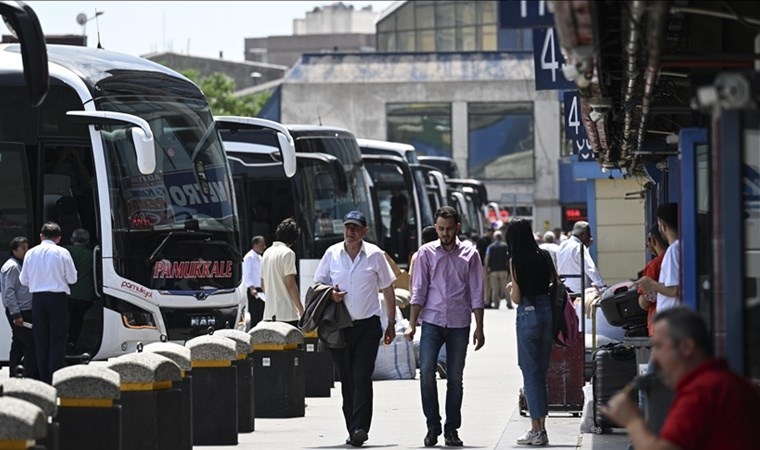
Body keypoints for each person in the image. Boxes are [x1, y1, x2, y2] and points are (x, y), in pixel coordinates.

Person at [602, 307, 760, 450]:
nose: (654, 357)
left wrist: (632, 420)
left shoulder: (701, 392)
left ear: (686, 347)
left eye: (659, 346)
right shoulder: (726, 382)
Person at [313, 210, 397, 447]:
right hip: (340, 327)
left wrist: (390, 322)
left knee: (361, 376)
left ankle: (361, 427)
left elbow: (388, 289)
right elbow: (319, 284)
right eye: (347, 227)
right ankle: (352, 428)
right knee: (347, 379)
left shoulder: (374, 255)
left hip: (368, 327)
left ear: (364, 231)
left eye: (355, 228)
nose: (350, 232)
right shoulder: (332, 254)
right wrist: (332, 294)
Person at [405, 206, 485, 448]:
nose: (445, 233)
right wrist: (411, 325)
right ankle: (432, 426)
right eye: (441, 228)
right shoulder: (425, 253)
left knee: (455, 378)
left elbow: (477, 293)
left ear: (457, 228)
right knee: (426, 372)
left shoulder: (470, 254)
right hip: (431, 321)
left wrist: (479, 327)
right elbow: (418, 291)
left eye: (449, 229)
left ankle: (452, 429)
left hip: (460, 323)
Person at [505, 219, 554, 446]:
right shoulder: (544, 255)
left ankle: (536, 430)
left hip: (528, 314)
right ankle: (541, 427)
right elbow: (554, 281)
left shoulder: (516, 260)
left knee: (530, 374)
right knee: (540, 373)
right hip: (547, 313)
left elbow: (516, 298)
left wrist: (512, 288)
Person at [19, 222, 77, 384]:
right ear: (58, 238)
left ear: (41, 236)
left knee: (41, 339)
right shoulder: (63, 252)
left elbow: (23, 280)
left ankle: (43, 377)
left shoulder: (30, 253)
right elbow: (72, 278)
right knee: (58, 338)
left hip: (37, 299)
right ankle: (55, 376)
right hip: (57, 299)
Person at [1, 236, 38, 379]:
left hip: (24, 309)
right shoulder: (12, 267)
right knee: (31, 343)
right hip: (20, 311)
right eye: (23, 248)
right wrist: (16, 315)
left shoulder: (20, 264)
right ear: (14, 250)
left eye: (27, 247)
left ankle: (15, 373)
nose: (26, 250)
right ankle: (28, 375)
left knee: (18, 343)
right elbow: (9, 292)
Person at [637, 203, 680, 312]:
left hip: (671, 317)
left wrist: (651, 284)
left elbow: (675, 290)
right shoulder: (682, 247)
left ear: (663, 227)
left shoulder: (673, 250)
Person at [261, 219, 303, 326]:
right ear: (293, 239)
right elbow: (291, 285)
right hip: (287, 314)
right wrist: (301, 310)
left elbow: (262, 284)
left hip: (268, 314)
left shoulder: (266, 253)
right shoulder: (288, 253)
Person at [64, 229, 95, 352]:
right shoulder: (91, 254)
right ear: (87, 242)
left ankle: (64, 342)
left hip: (67, 295)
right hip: (85, 296)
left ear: (72, 239)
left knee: (65, 320)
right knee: (77, 320)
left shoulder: (65, 251)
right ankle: (72, 342)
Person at [557, 221, 606, 293]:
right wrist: (602, 285)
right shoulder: (579, 246)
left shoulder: (562, 245)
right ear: (583, 235)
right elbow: (590, 268)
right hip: (579, 291)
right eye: (589, 235)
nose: (590, 237)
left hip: (565, 290)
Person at [637, 224, 669, 335]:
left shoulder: (653, 265)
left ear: (653, 240)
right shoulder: (678, 257)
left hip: (658, 325)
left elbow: (644, 303)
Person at [484, 230, 512, 309]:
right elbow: (509, 257)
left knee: (495, 288)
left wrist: (486, 268)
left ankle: (496, 304)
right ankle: (509, 303)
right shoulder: (506, 246)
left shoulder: (490, 247)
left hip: (493, 271)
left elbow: (487, 258)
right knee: (506, 288)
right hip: (504, 270)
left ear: (494, 237)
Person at [243, 235, 266, 328]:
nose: (264, 247)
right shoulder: (249, 257)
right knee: (255, 314)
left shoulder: (260, 257)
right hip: (254, 290)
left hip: (261, 290)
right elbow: (247, 273)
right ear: (255, 245)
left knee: (261, 313)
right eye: (262, 244)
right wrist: (252, 288)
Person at [389, 187, 408, 260]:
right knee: (393, 238)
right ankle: (393, 254)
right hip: (394, 220)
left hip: (401, 221)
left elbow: (405, 210)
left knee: (400, 239)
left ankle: (401, 256)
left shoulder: (403, 198)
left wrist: (403, 223)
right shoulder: (393, 198)